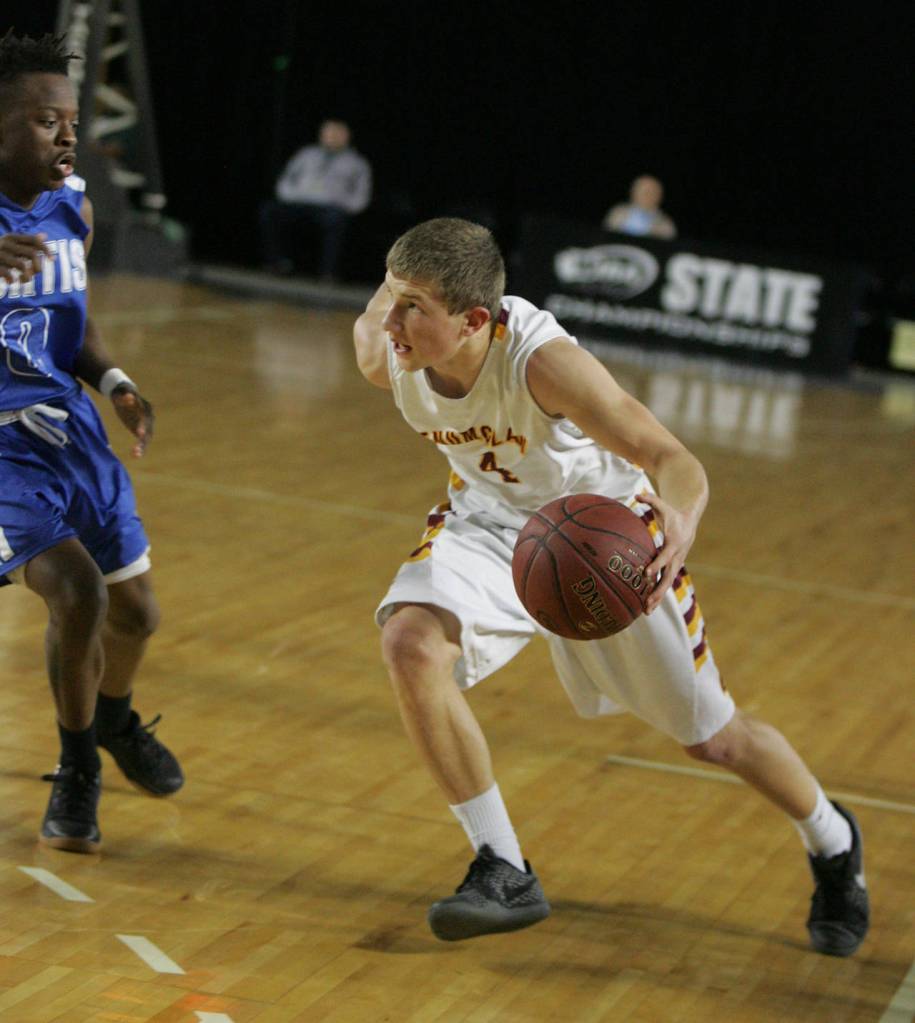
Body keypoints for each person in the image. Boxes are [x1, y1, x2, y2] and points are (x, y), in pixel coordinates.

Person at [352, 217, 869, 957]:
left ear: (473, 320)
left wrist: (682, 518)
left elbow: (668, 454)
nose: (392, 321)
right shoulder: (385, 352)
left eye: (413, 308)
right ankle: (503, 866)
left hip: (601, 538)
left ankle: (830, 836)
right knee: (408, 640)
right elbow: (383, 316)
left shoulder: (545, 364)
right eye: (391, 298)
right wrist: (401, 285)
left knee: (714, 739)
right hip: (489, 525)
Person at [0, 30, 183, 854]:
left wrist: (114, 384)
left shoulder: (72, 199)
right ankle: (78, 768)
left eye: (70, 119)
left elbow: (73, 321)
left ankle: (111, 718)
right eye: (45, 120)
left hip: (68, 432)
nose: (67, 135)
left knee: (137, 614)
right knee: (77, 593)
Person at [259, 119, 372, 280]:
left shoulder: (357, 163)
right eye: (329, 133)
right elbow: (285, 181)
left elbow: (361, 196)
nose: (332, 137)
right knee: (269, 211)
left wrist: (342, 205)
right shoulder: (306, 154)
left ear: (346, 136)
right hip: (298, 203)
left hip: (330, 208)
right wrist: (291, 196)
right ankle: (277, 263)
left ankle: (327, 272)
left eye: (337, 133)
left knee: (336, 220)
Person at [603, 174, 677, 239]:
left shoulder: (665, 224)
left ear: (659, 196)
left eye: (652, 192)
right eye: (644, 191)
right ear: (633, 192)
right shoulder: (617, 213)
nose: (647, 196)